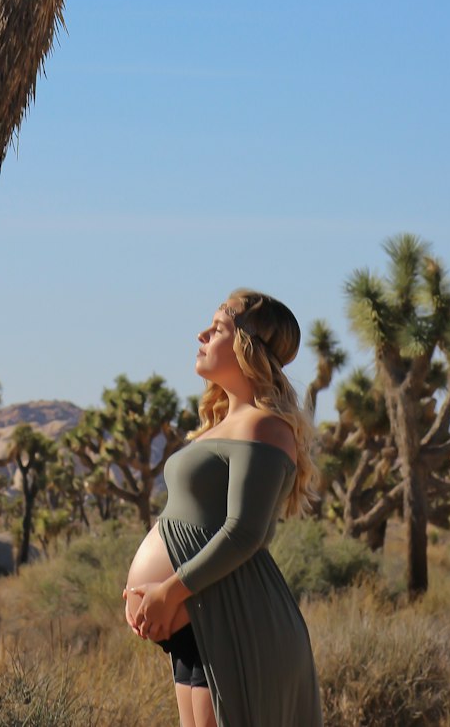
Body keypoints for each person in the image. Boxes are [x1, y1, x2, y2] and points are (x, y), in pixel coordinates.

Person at [123, 289, 323, 727]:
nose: (201, 334)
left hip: (233, 620)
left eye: (217, 329)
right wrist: (153, 598)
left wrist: (166, 592)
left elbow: (245, 532)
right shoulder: (222, 426)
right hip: (199, 621)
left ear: (246, 345)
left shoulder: (265, 426)